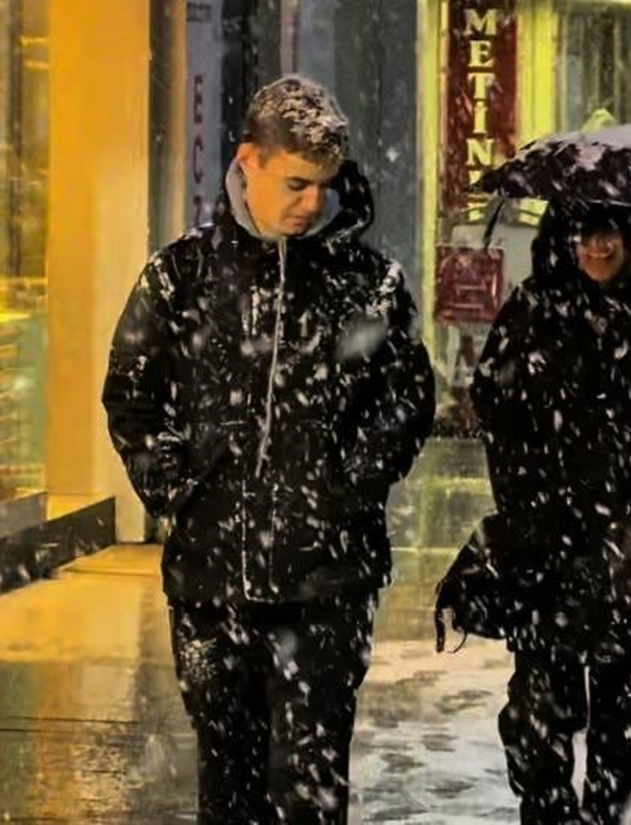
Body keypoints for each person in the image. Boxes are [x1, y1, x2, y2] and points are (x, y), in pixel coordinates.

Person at [101, 76, 435, 823]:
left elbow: (408, 402)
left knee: (311, 786)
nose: (311, 203)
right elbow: (131, 392)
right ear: (247, 161)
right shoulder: (181, 276)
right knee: (228, 784)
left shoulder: (369, 284)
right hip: (211, 581)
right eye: (295, 183)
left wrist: (347, 486)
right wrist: (177, 487)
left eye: (323, 185)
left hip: (327, 583)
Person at [469, 202, 631, 824]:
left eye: (609, 231)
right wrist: (531, 503)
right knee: (538, 723)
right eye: (583, 232)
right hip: (549, 550)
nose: (596, 246)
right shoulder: (535, 307)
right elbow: (496, 409)